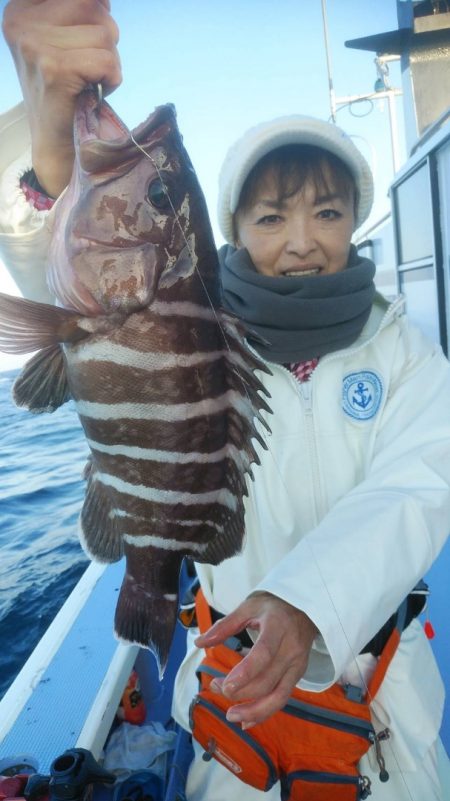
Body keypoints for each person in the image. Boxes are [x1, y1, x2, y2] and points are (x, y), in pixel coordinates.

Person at [1, 2, 450, 800]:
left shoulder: (407, 352)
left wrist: (308, 602)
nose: (303, 238)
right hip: (232, 710)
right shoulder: (197, 329)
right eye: (272, 216)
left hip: (390, 721)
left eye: (328, 211)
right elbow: (63, 267)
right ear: (234, 228)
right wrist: (43, 142)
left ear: (356, 216)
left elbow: (419, 486)